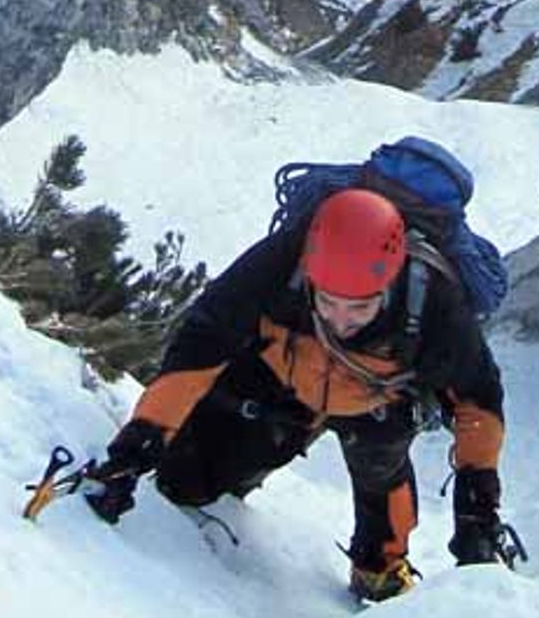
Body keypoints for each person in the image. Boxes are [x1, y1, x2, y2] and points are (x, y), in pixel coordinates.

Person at [84, 185, 508, 602]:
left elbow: (479, 405)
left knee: (380, 483)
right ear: (310, 272)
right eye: (328, 302)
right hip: (280, 378)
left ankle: (380, 569)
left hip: (375, 402)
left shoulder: (436, 304)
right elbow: (200, 349)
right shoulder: (280, 261)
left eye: (360, 307)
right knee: (185, 483)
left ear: (392, 280)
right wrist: (135, 450)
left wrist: (477, 518)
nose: (342, 320)